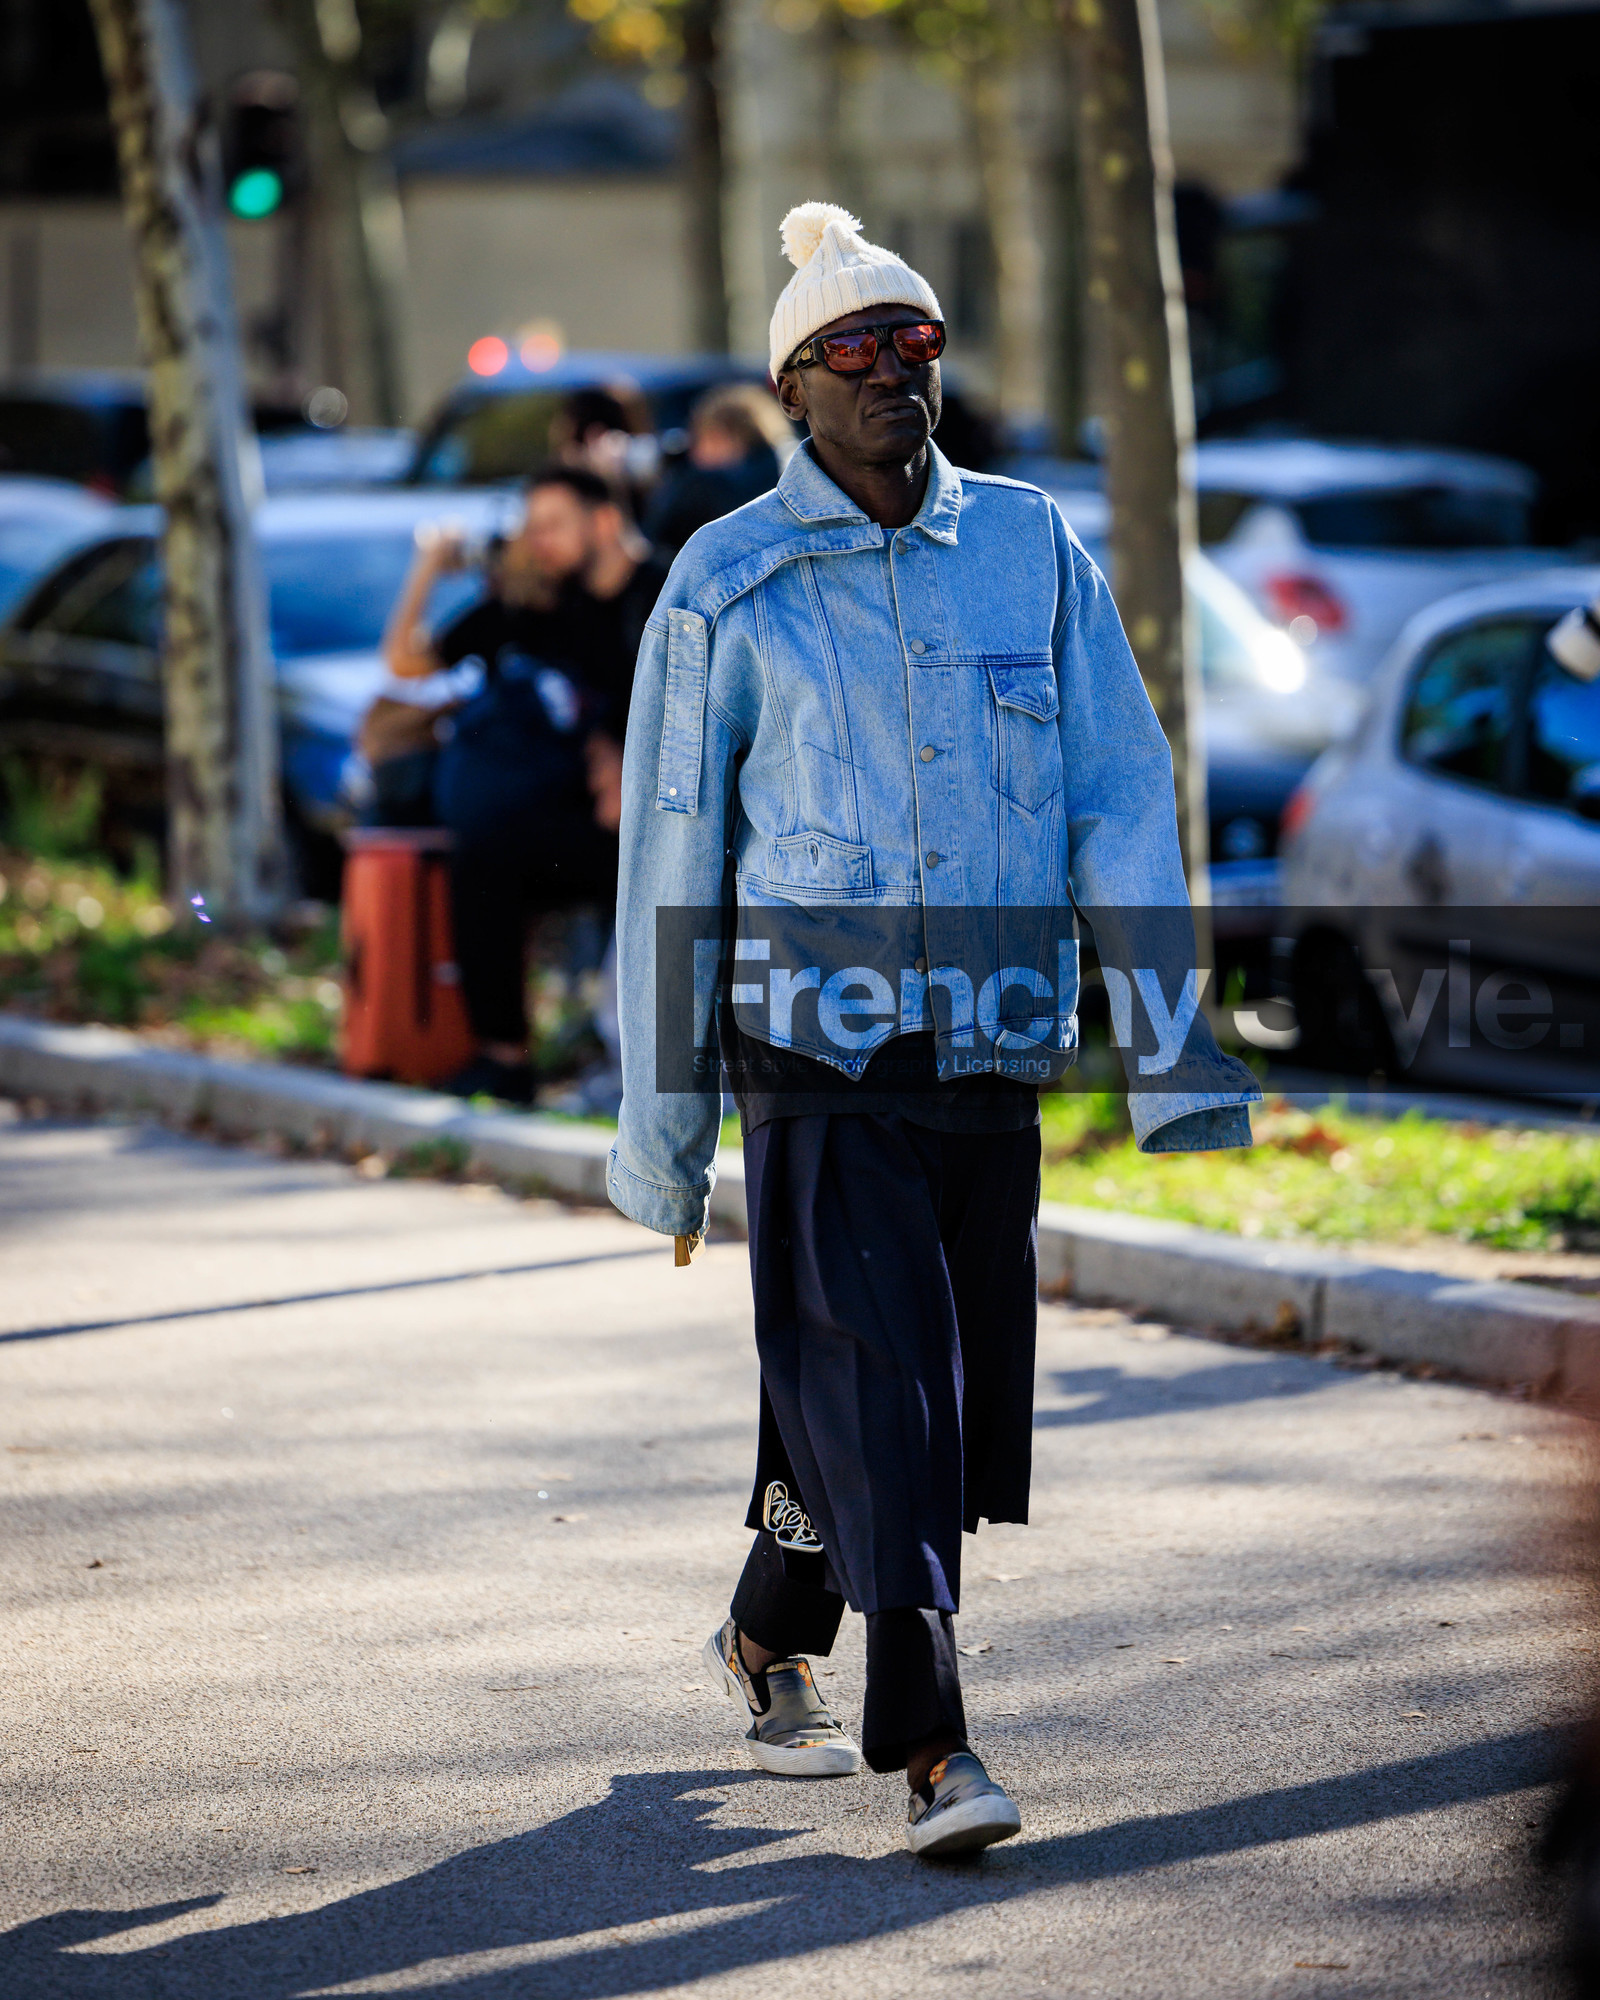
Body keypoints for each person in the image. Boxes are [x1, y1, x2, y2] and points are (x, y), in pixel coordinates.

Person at [605, 203, 1260, 1859]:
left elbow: (1119, 801)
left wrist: (1175, 1045)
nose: (898, 375)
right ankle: (934, 1749)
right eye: (857, 352)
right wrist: (666, 1136)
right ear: (791, 391)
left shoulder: (1034, 549)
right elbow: (671, 858)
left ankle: (765, 1637)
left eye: (920, 345)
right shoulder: (726, 582)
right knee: (887, 1379)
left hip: (993, 1037)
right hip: (812, 1051)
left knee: (920, 1400)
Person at [383, 467, 656, 1103]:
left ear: (605, 521)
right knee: (483, 854)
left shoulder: (666, 590)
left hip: (664, 820)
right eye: (530, 529)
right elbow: (403, 662)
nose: (538, 543)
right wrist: (429, 566)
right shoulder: (538, 602)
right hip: (581, 825)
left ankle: (648, 1067)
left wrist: (623, 764)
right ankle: (505, 1059)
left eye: (553, 527)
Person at [645, 383, 791, 555]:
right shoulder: (788, 475)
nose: (695, 453)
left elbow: (657, 542)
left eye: (704, 438)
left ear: (731, 438)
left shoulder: (705, 488)